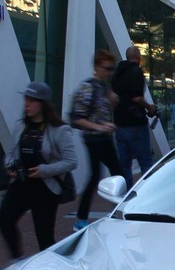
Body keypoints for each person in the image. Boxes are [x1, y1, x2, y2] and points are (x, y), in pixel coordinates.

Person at [0, 81, 77, 260]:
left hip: (46, 187)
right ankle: (17, 259)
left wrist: (44, 170)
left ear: (43, 104)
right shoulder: (21, 125)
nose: (27, 104)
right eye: (26, 99)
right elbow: (10, 152)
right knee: (5, 218)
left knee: (44, 236)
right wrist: (9, 165)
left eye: (32, 101)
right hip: (22, 182)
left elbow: (71, 162)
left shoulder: (60, 130)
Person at [71, 49, 123, 232]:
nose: (109, 73)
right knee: (112, 174)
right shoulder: (88, 87)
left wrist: (112, 102)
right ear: (96, 67)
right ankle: (84, 218)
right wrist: (100, 126)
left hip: (103, 138)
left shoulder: (103, 87)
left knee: (102, 175)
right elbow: (76, 119)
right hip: (95, 138)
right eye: (107, 68)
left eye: (111, 69)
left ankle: (83, 218)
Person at [111, 46, 157, 190]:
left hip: (119, 124)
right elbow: (137, 97)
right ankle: (147, 193)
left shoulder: (117, 73)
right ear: (138, 57)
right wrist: (149, 107)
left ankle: (126, 197)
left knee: (125, 165)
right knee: (146, 163)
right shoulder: (136, 71)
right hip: (136, 124)